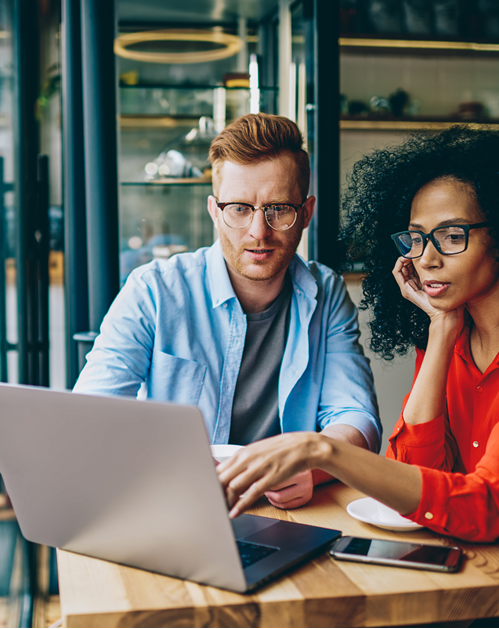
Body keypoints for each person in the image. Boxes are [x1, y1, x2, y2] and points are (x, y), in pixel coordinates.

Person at [217, 127, 499, 625]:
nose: (426, 257)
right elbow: (415, 474)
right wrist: (440, 333)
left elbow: (492, 504)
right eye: (416, 238)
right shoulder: (446, 333)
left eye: (452, 236)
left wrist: (321, 450)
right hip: (468, 560)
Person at [75, 113, 381, 509]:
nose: (259, 231)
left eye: (279, 209)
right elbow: (90, 416)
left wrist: (313, 468)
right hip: (173, 503)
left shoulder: (327, 293)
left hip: (288, 514)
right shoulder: (154, 289)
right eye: (239, 208)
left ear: (305, 214)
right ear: (214, 211)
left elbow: (357, 418)